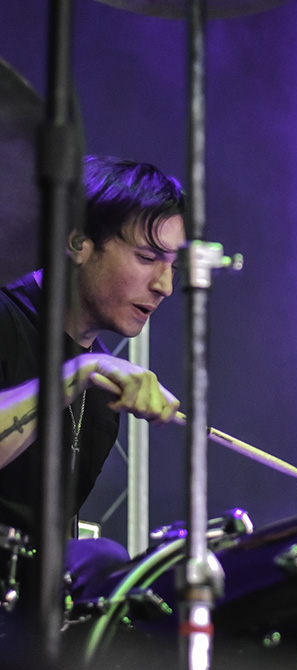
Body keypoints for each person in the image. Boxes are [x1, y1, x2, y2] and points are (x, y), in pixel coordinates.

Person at [0, 155, 184, 613]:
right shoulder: (4, 317)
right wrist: (76, 373)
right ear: (78, 242)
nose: (164, 285)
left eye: (173, 265)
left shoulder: (102, 398)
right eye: (147, 257)